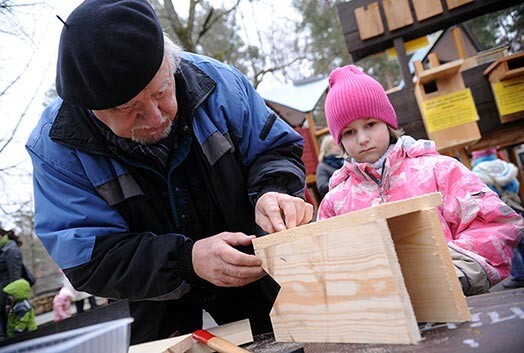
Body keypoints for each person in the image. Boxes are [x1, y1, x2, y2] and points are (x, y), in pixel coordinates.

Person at [26, 0, 312, 344]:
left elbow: (275, 149)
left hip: (261, 277)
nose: (157, 116)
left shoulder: (218, 84)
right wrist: (185, 260)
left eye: (162, 91)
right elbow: (90, 257)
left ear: (171, 60)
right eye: (129, 109)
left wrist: (274, 189)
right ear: (90, 109)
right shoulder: (57, 149)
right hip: (156, 309)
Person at [317, 65, 524, 296]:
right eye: (349, 132)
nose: (363, 139)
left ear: (387, 122)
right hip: (380, 316)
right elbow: (328, 260)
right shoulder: (334, 202)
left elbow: (495, 223)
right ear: (339, 140)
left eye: (370, 124)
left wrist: (458, 270)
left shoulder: (439, 170)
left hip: (459, 303)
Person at [470, 148, 524, 289]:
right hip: (514, 206)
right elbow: (516, 185)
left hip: (496, 211)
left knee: (507, 244)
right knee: (522, 239)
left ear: (476, 156)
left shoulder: (478, 170)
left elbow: (479, 193)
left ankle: (519, 275)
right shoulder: (505, 166)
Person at [0, 228, 24, 340]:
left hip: (7, 299)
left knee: (11, 334)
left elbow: (16, 278)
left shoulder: (11, 250)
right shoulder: (2, 250)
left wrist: (11, 300)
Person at [316, 134, 345, 199]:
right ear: (327, 149)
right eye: (335, 144)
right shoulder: (322, 166)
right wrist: (341, 181)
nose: (339, 146)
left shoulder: (347, 161)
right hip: (336, 199)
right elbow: (322, 187)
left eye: (339, 143)